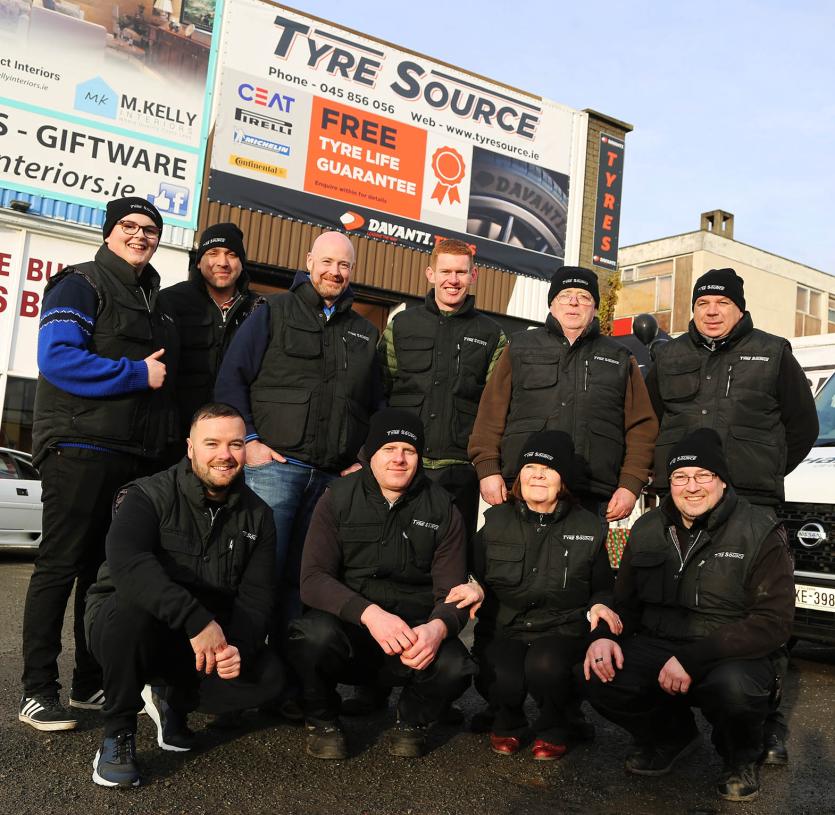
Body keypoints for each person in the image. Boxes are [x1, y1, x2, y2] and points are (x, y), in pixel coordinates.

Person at [644, 267, 818, 763]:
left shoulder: (774, 352)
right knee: (670, 602)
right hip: (682, 502)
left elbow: (801, 427)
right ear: (693, 309)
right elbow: (648, 421)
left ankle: (766, 722)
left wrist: (763, 470)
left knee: (759, 610)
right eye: (703, 304)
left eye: (723, 304)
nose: (713, 311)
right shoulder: (668, 355)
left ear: (740, 308)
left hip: (753, 501)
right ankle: (669, 717)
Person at [19, 196, 178, 732]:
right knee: (60, 567)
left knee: (102, 575)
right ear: (109, 232)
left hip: (131, 458)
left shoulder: (152, 296)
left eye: (150, 228)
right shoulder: (81, 283)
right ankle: (38, 691)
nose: (141, 235)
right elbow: (57, 357)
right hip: (79, 447)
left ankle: (90, 681)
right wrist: (134, 374)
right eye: (129, 227)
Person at [215, 230, 383, 715]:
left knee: (305, 585)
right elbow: (232, 378)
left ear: (353, 271)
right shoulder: (272, 311)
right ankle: (238, 690)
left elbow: (377, 404)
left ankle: (291, 688)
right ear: (309, 261)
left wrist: (364, 460)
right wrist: (248, 442)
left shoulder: (365, 332)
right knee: (255, 579)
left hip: (333, 479)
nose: (334, 271)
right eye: (326, 261)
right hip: (275, 470)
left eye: (344, 265)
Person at [583, 429, 794, 803]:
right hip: (659, 640)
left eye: (703, 476)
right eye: (680, 477)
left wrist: (692, 658)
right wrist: (605, 637)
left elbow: (771, 623)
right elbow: (627, 603)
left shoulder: (759, 531)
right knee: (596, 670)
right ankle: (672, 737)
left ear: (722, 481)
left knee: (736, 690)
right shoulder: (647, 528)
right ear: (669, 483)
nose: (691, 486)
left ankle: (739, 757)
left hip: (729, 649)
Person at [84, 403, 282, 788]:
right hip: (125, 627)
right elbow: (129, 565)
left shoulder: (259, 516)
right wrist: (197, 620)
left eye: (236, 444)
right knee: (131, 612)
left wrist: (238, 646)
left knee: (271, 675)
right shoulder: (147, 495)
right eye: (212, 443)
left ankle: (173, 699)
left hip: (198, 641)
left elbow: (257, 597)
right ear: (190, 447)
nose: (224, 455)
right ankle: (118, 733)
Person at [286, 408, 474, 759]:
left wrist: (436, 628)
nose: (399, 459)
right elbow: (312, 580)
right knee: (309, 636)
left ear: (420, 457)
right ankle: (323, 718)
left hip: (411, 637)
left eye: (409, 450)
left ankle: (411, 720)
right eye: (389, 449)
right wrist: (370, 614)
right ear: (370, 454)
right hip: (351, 631)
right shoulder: (337, 498)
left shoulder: (443, 509)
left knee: (456, 665)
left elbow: (454, 593)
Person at [470, 430, 619, 760]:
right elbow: (472, 573)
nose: (537, 474)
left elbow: (603, 588)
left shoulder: (589, 527)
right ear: (518, 476)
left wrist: (599, 608)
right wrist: (473, 584)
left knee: (547, 666)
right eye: (529, 467)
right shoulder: (494, 523)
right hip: (505, 626)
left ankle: (555, 724)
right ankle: (508, 721)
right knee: (501, 673)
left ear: (562, 478)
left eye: (548, 469)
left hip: (561, 629)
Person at [469, 266, 658, 524]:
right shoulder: (520, 347)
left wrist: (630, 484)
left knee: (582, 565)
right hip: (522, 489)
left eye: (583, 296)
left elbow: (641, 428)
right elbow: (491, 413)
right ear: (551, 303)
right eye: (565, 294)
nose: (573, 301)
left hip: (592, 493)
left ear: (595, 307)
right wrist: (487, 469)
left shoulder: (620, 358)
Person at [378, 238, 506, 541]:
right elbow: (379, 390)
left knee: (450, 554)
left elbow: (497, 408)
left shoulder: (491, 335)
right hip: (403, 464)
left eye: (461, 273)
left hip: (459, 468)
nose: (453, 280)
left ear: (473, 276)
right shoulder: (401, 325)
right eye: (446, 271)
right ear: (430, 274)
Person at [159, 223, 261, 461]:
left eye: (232, 254)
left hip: (233, 441)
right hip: (175, 438)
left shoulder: (260, 310)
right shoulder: (169, 302)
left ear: (242, 262)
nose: (222, 262)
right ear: (198, 261)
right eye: (213, 253)